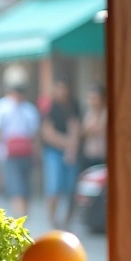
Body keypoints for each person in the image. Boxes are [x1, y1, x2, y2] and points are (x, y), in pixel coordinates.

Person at [0, 67, 40, 218]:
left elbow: (35, 137)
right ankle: (22, 217)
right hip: (9, 155)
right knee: (17, 189)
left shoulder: (22, 109)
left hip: (23, 154)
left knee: (22, 189)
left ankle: (22, 218)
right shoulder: (6, 107)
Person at [41, 80, 81, 228]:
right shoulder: (50, 107)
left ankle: (67, 221)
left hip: (71, 151)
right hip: (54, 151)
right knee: (54, 187)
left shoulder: (73, 106)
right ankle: (53, 220)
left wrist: (71, 147)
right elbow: (48, 133)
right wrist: (68, 143)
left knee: (71, 188)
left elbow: (76, 128)